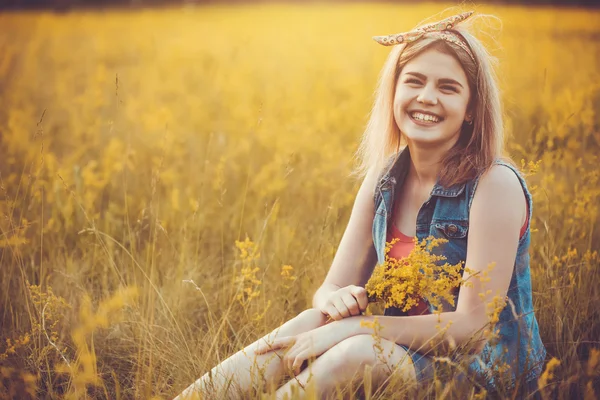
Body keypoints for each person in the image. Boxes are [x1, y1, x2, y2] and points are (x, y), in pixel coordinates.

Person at [174, 9, 547, 400]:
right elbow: (332, 286)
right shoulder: (386, 177)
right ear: (394, 92)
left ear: (471, 108)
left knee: (356, 350)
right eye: (414, 82)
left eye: (448, 87)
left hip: (488, 377)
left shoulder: (493, 185)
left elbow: (472, 330)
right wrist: (334, 303)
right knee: (312, 320)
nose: (426, 97)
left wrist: (356, 327)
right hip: (407, 352)